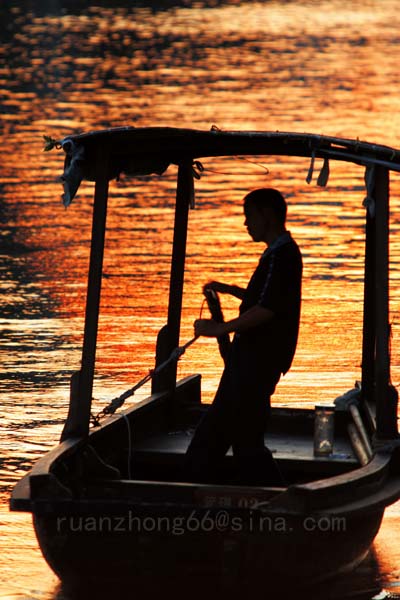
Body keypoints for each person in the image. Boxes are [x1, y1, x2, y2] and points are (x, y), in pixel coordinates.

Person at [185, 188, 302, 486]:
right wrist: (228, 289)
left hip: (258, 363)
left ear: (267, 215)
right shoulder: (276, 254)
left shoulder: (282, 255)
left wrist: (220, 329)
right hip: (249, 362)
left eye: (249, 216)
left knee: (230, 440)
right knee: (235, 439)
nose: (246, 223)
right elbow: (263, 297)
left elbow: (267, 309)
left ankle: (278, 502)